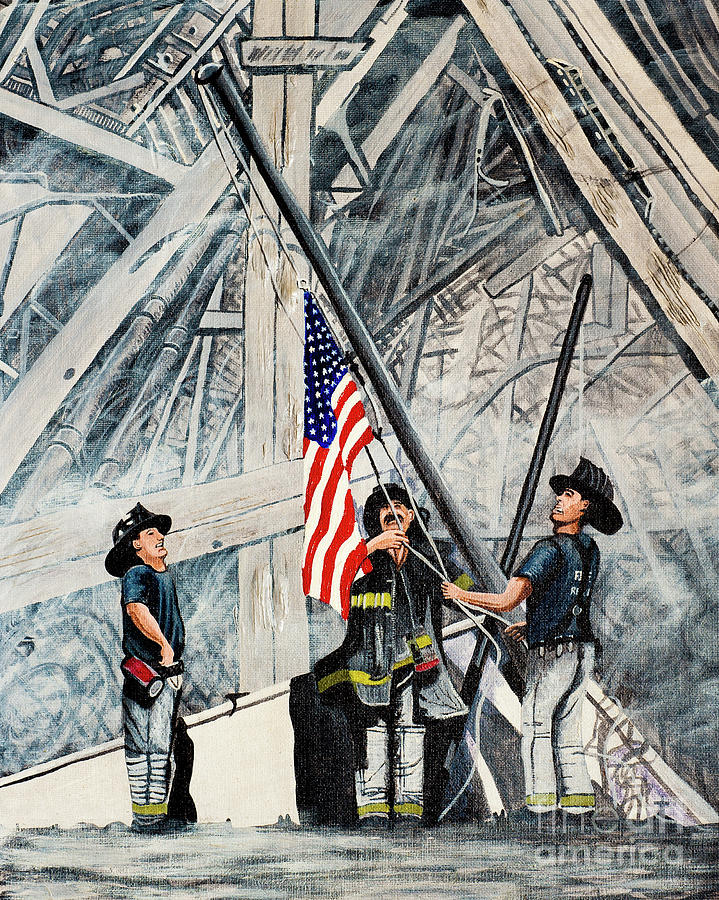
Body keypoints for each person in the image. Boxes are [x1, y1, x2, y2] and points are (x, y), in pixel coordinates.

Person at [442, 457, 623, 821]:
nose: (558, 500)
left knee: (537, 727)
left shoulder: (547, 549)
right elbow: (571, 602)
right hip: (582, 652)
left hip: (552, 654)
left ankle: (541, 808)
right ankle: (578, 808)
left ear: (584, 506)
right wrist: (532, 625)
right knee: (568, 734)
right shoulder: (591, 551)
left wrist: (460, 596)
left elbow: (507, 600)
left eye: (568, 494)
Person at [315, 483, 468, 826]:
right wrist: (371, 548)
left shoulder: (428, 558)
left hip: (416, 666)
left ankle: (409, 812)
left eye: (399, 506)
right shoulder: (361, 558)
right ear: (375, 518)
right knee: (371, 733)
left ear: (411, 516)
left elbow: (463, 591)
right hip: (367, 666)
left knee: (411, 730)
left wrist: (467, 591)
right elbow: (333, 582)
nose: (392, 512)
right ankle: (373, 813)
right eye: (384, 508)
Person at [105, 502, 186, 832]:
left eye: (160, 532)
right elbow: (137, 610)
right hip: (145, 675)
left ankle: (154, 816)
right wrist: (165, 646)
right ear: (135, 544)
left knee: (159, 748)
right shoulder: (138, 574)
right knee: (145, 750)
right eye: (151, 532)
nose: (160, 537)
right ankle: (146, 817)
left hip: (165, 675)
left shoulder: (161, 575)